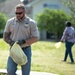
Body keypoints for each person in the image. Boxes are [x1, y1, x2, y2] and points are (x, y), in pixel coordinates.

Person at [3, 4, 39, 75]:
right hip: (13, 50)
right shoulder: (10, 22)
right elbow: (5, 37)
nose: (18, 15)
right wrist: (10, 42)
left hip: (26, 50)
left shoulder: (31, 23)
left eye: (20, 13)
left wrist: (24, 41)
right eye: (16, 13)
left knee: (25, 73)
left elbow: (35, 38)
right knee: (10, 71)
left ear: (24, 12)